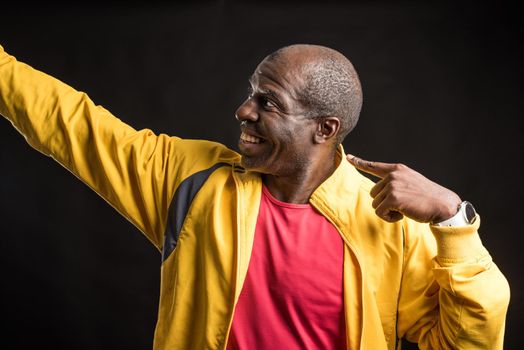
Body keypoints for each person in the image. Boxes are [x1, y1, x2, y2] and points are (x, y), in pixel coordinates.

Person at [0, 43, 510, 349]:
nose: (244, 111)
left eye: (268, 102)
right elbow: (70, 123)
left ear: (325, 128)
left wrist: (451, 219)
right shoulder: (192, 179)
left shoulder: (390, 223)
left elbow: (468, 341)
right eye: (251, 93)